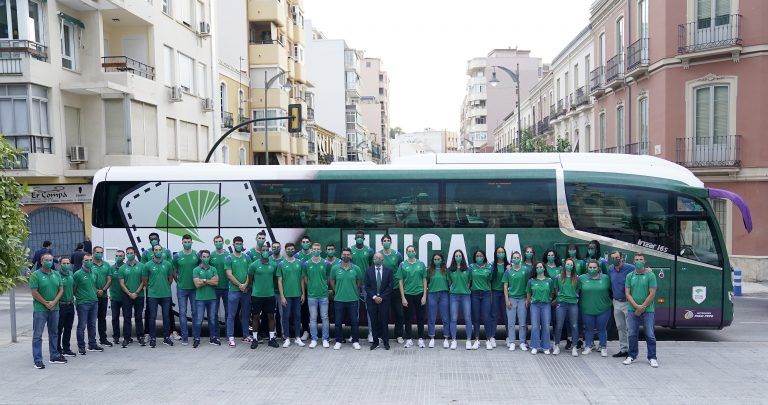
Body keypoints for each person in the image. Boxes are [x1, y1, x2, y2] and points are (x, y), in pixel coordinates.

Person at [30, 254, 66, 369]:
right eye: (46, 260)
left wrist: (54, 302)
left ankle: (54, 355)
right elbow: (34, 292)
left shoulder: (56, 274)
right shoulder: (35, 275)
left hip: (54, 308)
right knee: (37, 335)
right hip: (40, 309)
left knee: (54, 333)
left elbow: (61, 289)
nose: (49, 262)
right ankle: (38, 360)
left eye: (50, 260)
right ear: (41, 261)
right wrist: (46, 303)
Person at [623, 254, 659, 368]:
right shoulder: (629, 276)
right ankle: (632, 356)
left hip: (648, 310)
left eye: (641, 260)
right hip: (632, 309)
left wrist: (642, 307)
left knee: (650, 334)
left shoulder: (650, 275)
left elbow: (652, 293)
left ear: (645, 261)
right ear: (633, 262)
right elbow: (627, 293)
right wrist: (636, 306)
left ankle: (652, 357)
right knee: (632, 333)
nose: (639, 261)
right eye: (637, 260)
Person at [329, 248, 363, 350]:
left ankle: (355, 341)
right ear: (341, 255)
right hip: (339, 299)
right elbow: (332, 280)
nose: (346, 256)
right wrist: (337, 290)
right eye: (344, 254)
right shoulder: (335, 268)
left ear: (351, 256)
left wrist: (353, 290)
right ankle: (338, 341)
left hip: (353, 299)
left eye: (348, 254)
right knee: (338, 322)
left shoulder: (356, 268)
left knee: (354, 322)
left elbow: (359, 282)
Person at [248, 243, 280, 349]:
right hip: (257, 295)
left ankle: (272, 339)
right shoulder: (254, 265)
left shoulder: (274, 265)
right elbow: (250, 280)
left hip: (270, 295)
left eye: (267, 250)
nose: (265, 252)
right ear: (260, 252)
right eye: (263, 250)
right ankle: (255, 339)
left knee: (271, 316)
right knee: (255, 317)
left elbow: (276, 279)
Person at [143, 244, 175, 348]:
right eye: (156, 250)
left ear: (162, 251)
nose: (158, 251)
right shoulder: (147, 265)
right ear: (153, 252)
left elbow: (170, 278)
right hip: (152, 295)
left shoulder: (168, 264)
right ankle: (153, 338)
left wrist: (165, 286)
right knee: (152, 317)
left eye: (160, 250)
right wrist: (152, 288)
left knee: (166, 317)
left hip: (166, 295)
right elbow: (145, 280)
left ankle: (166, 337)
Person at [397, 245, 427, 349]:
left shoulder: (421, 264)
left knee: (420, 318)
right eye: (409, 251)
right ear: (406, 253)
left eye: (412, 251)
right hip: (407, 294)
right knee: (407, 318)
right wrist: (403, 297)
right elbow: (400, 281)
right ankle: (409, 339)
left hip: (419, 294)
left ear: (415, 252)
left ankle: (420, 339)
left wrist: (424, 296)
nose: (411, 252)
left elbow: (424, 280)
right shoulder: (402, 264)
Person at [579, 260, 611, 357]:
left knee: (602, 329)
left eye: (594, 267)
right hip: (586, 308)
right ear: (587, 268)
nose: (592, 269)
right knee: (589, 329)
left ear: (598, 269)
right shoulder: (581, 278)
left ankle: (603, 347)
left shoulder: (605, 278)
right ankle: (588, 346)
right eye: (590, 267)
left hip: (604, 308)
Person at [73, 254, 103, 355]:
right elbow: (74, 289)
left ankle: (92, 344)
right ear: (83, 261)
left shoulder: (94, 272)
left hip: (94, 302)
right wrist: (80, 297)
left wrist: (96, 291)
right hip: (82, 303)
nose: (89, 262)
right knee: (82, 325)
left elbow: (92, 285)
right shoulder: (77, 274)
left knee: (92, 324)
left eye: (91, 260)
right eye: (87, 260)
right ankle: (81, 347)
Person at [303, 243, 331, 348]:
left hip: (323, 295)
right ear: (311, 250)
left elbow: (328, 277)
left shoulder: (326, 263)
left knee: (324, 317)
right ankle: (314, 339)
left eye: (317, 249)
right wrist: (310, 287)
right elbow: (305, 277)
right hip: (312, 295)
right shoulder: (306, 264)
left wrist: (324, 287)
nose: (315, 250)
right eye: (314, 249)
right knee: (313, 318)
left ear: (321, 250)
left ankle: (325, 339)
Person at [225, 236, 252, 348]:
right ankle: (230, 337)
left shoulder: (247, 257)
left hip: (246, 291)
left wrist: (246, 284)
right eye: (237, 243)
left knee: (245, 315)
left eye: (240, 243)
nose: (238, 245)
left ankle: (246, 335)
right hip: (234, 291)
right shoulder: (229, 258)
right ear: (233, 244)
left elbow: (250, 273)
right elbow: (229, 274)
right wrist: (240, 285)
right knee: (231, 315)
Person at [173, 234, 199, 345]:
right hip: (182, 289)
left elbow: (200, 267)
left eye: (189, 242)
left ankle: (195, 337)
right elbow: (174, 270)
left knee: (195, 312)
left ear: (192, 243)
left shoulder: (196, 255)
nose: (187, 243)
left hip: (194, 289)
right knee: (182, 313)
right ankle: (185, 337)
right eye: (185, 242)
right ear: (182, 243)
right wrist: (177, 281)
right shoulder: (177, 256)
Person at [278, 243, 306, 347]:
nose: (291, 250)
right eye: (288, 249)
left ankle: (298, 338)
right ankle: (287, 338)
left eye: (292, 249)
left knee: (297, 316)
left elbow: (302, 279)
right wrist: (282, 296)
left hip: (297, 294)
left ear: (295, 250)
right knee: (286, 316)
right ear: (285, 250)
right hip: (287, 295)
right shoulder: (281, 264)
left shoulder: (300, 263)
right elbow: (280, 281)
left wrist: (303, 293)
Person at [608, 250, 634, 358]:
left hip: (628, 302)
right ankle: (623, 350)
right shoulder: (610, 269)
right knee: (620, 327)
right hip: (616, 302)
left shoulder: (630, 268)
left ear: (621, 258)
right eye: (613, 258)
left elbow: (643, 271)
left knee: (630, 328)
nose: (615, 260)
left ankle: (632, 351)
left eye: (617, 257)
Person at [350, 231, 375, 343]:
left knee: (369, 309)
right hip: (353, 284)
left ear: (364, 239)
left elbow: (371, 266)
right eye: (357, 237)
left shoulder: (369, 251)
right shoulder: (350, 250)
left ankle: (371, 333)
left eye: (361, 237)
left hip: (366, 284)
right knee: (354, 310)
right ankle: (353, 334)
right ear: (355, 238)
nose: (359, 238)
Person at [365, 252, 393, 350]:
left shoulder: (388, 271)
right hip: (372, 301)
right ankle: (375, 342)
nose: (377, 259)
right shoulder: (368, 271)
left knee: (384, 321)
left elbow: (390, 286)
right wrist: (374, 297)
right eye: (375, 257)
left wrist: (381, 297)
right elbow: (367, 287)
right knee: (373, 322)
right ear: (373, 260)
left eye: (379, 258)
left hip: (384, 301)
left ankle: (386, 342)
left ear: (383, 260)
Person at [118, 247, 146, 348]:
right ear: (126, 255)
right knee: (127, 317)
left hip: (139, 295)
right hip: (126, 295)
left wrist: (136, 292)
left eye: (131, 253)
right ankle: (127, 338)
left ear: (135, 254)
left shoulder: (142, 266)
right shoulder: (122, 268)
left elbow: (143, 281)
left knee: (139, 317)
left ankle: (140, 337)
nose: (130, 254)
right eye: (128, 253)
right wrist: (130, 293)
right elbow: (121, 283)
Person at [552, 258, 581, 357]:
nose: (569, 266)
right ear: (564, 265)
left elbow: (578, 290)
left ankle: (574, 347)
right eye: (567, 264)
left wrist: (574, 297)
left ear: (573, 266)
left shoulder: (577, 278)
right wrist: (559, 297)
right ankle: (556, 346)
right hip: (562, 303)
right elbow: (556, 289)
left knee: (574, 325)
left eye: (571, 265)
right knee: (559, 325)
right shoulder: (558, 277)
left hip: (573, 303)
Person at [379, 234, 404, 343]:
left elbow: (401, 269)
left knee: (399, 313)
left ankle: (398, 335)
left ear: (391, 242)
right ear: (381, 242)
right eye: (384, 240)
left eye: (388, 240)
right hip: (383, 290)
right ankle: (382, 335)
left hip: (395, 288)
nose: (386, 242)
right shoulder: (378, 255)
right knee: (383, 314)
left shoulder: (397, 255)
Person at [193, 250, 220, 348]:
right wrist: (209, 281)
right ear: (201, 257)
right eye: (204, 256)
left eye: (207, 256)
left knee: (212, 319)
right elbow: (197, 284)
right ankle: (196, 339)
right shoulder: (196, 270)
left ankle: (213, 338)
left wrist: (203, 280)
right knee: (198, 320)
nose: (206, 258)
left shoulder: (213, 269)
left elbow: (216, 282)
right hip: (200, 298)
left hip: (212, 298)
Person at [502, 251, 529, 351]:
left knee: (522, 323)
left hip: (522, 299)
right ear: (512, 259)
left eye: (518, 257)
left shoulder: (525, 270)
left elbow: (528, 286)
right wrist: (507, 300)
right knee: (511, 323)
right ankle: (512, 342)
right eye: (514, 257)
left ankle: (522, 342)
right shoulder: (508, 271)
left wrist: (527, 299)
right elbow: (505, 286)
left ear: (520, 259)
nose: (516, 259)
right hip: (512, 299)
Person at [527, 262, 554, 355]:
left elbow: (552, 292)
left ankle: (546, 346)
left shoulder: (549, 280)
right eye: (537, 267)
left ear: (544, 268)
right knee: (535, 326)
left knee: (546, 326)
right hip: (535, 305)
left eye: (541, 267)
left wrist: (549, 299)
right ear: (535, 269)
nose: (539, 268)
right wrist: (529, 300)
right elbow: (528, 292)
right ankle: (535, 346)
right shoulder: (531, 281)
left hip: (546, 305)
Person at [469, 249, 493, 350]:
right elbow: (469, 280)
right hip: (474, 294)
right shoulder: (471, 267)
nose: (479, 257)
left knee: (486, 317)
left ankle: (488, 340)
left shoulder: (489, 267)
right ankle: (477, 340)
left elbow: (490, 281)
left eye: (481, 256)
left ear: (484, 257)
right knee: (476, 318)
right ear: (475, 257)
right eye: (477, 256)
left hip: (486, 294)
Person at [425, 253, 450, 349]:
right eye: (435, 259)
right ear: (433, 260)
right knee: (431, 317)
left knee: (445, 318)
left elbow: (449, 282)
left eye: (438, 259)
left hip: (444, 294)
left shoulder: (445, 271)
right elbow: (426, 282)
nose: (437, 260)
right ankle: (432, 338)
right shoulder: (429, 270)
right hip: (432, 294)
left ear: (442, 260)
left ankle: (446, 338)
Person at [448, 250, 472, 350]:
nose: (458, 257)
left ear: (462, 257)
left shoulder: (467, 269)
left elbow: (470, 280)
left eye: (460, 255)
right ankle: (453, 340)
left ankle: (468, 340)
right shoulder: (450, 269)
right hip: (454, 296)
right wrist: (452, 288)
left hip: (465, 295)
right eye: (456, 255)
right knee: (453, 318)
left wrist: (466, 288)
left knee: (467, 318)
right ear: (454, 257)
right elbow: (449, 281)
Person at [90, 246, 113, 347]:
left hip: (103, 295)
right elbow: (87, 282)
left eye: (101, 252)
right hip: (92, 296)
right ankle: (92, 341)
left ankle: (103, 339)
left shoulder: (106, 265)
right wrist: (95, 291)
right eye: (98, 252)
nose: (100, 254)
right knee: (91, 319)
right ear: (93, 253)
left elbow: (109, 279)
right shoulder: (89, 264)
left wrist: (103, 290)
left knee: (102, 318)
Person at [210, 235, 230, 338]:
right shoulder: (211, 255)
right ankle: (216, 335)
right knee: (214, 313)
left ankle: (228, 335)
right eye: (216, 241)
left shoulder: (228, 255)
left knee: (228, 313)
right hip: (214, 289)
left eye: (220, 241)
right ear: (214, 243)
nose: (218, 243)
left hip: (227, 288)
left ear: (223, 242)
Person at [56, 257, 77, 357]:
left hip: (70, 305)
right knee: (59, 329)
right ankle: (58, 349)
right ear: (60, 264)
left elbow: (73, 287)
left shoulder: (71, 274)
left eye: (68, 263)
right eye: (64, 263)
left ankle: (66, 348)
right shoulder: (56, 275)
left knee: (68, 328)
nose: (66, 265)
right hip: (61, 306)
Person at [490, 246, 509, 349]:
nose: (501, 254)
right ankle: (492, 337)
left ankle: (509, 337)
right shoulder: (493, 265)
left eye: (502, 252)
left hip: (505, 293)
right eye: (499, 252)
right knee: (494, 315)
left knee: (507, 315)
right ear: (496, 254)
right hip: (495, 292)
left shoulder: (508, 266)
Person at [296, 235, 313, 340]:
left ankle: (314, 332)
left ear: (310, 243)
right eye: (303, 242)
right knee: (304, 310)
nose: (305, 243)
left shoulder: (315, 255)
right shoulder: (297, 256)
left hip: (314, 289)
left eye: (307, 241)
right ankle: (305, 331)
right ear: (301, 243)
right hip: (302, 289)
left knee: (314, 311)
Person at [109, 250, 126, 346]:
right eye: (116, 255)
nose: (118, 257)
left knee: (126, 318)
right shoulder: (111, 268)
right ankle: (116, 336)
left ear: (124, 258)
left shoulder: (126, 267)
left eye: (120, 256)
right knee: (115, 317)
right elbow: (109, 281)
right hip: (114, 297)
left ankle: (126, 337)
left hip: (125, 297)